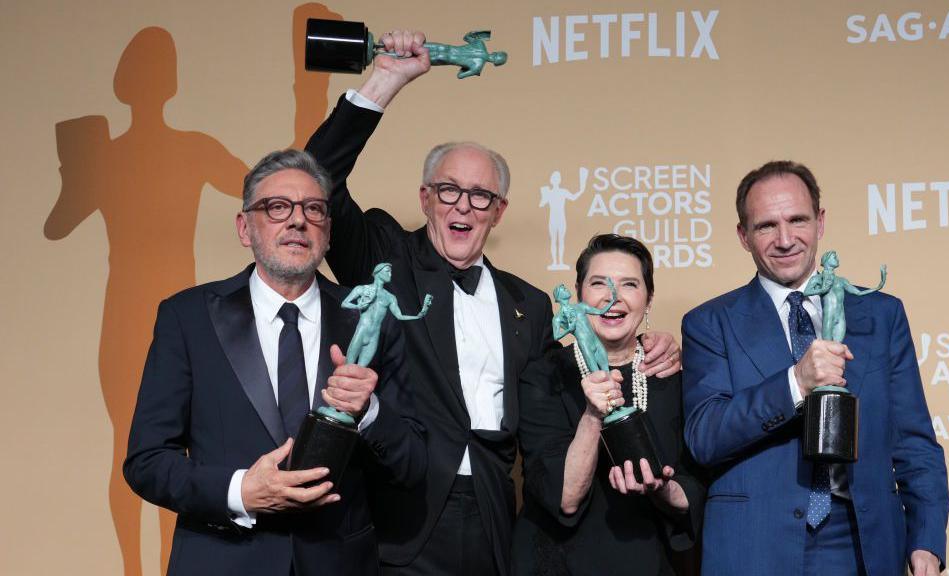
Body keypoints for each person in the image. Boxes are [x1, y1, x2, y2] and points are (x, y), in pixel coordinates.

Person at [304, 30, 681, 576]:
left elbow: (573, 378)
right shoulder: (388, 254)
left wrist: (645, 345)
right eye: (448, 190)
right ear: (425, 199)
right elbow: (316, 181)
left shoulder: (526, 303)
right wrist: (385, 81)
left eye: (480, 196)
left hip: (496, 522)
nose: (463, 206)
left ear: (497, 210)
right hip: (399, 517)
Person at [123, 149, 426, 575]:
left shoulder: (370, 321)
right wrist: (240, 492)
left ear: (328, 231)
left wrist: (369, 410)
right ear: (245, 227)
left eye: (314, 209)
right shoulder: (187, 317)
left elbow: (412, 464)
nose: (298, 220)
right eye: (277, 206)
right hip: (222, 561)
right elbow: (147, 461)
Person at [681, 161, 949, 575]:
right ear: (743, 236)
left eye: (798, 220)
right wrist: (795, 382)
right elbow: (705, 436)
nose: (785, 239)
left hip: (862, 542)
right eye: (767, 225)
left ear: (820, 222)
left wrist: (926, 539)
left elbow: (914, 440)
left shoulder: (881, 314)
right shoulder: (709, 323)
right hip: (754, 545)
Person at [514, 234, 705, 576]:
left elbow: (696, 487)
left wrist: (664, 489)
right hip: (558, 564)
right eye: (599, 283)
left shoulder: (675, 376)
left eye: (629, 284)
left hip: (650, 562)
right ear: (579, 294)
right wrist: (592, 416)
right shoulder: (544, 375)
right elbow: (564, 497)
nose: (612, 297)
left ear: (648, 300)